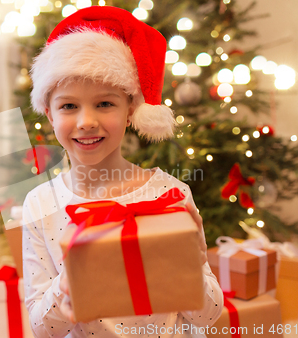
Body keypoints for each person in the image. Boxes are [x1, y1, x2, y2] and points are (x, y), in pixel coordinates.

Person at [21, 5, 223, 338]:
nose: (87, 121)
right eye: (69, 106)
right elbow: (43, 330)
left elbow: (208, 318)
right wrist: (69, 283)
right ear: (48, 113)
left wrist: (192, 265)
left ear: (130, 110)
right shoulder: (39, 205)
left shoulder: (169, 194)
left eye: (105, 103)